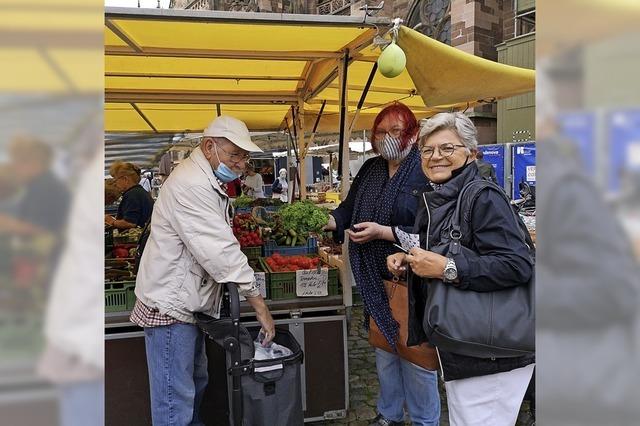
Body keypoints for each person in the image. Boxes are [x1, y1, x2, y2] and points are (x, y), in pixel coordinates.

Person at [387, 112, 534, 426]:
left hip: (491, 352)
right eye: (427, 150)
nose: (436, 157)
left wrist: (446, 268)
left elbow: (517, 265)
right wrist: (414, 261)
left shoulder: (482, 197)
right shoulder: (444, 197)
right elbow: (456, 254)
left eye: (447, 148)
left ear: (472, 152)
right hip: (468, 344)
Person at [131, 115, 276, 426]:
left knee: (193, 387)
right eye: (235, 154)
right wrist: (258, 303)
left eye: (244, 156)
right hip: (171, 306)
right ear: (210, 147)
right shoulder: (192, 184)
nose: (240, 164)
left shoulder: (205, 178)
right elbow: (220, 250)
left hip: (186, 302)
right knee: (175, 403)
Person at [324, 103, 440, 426]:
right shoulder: (371, 168)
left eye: (395, 131)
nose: (386, 138)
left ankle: (423, 419)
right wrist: (331, 222)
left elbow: (431, 229)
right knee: (384, 349)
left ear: (413, 134)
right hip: (375, 279)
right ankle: (389, 413)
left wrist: (382, 232)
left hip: (413, 280)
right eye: (380, 132)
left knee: (416, 354)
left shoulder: (424, 171)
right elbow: (348, 208)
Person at [104, 161, 154, 229]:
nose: (115, 183)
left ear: (125, 179)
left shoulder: (132, 195)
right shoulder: (139, 192)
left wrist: (112, 221)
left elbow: (130, 223)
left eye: (116, 180)